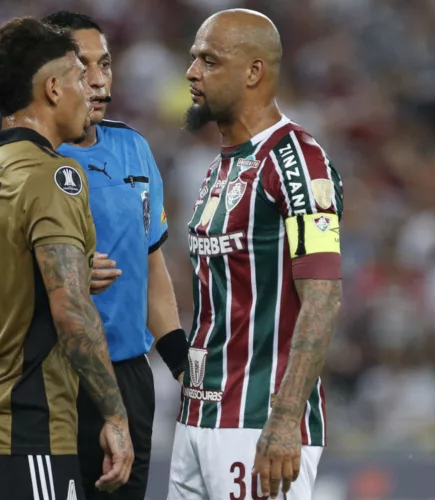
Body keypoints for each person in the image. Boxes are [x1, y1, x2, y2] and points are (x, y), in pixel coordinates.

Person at [0, 17, 134, 500]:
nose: (89, 87)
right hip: (27, 430)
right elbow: (71, 312)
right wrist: (116, 414)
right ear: (53, 88)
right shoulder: (54, 179)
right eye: (78, 76)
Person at [168, 9, 343, 500]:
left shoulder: (299, 162)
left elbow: (323, 298)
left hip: (259, 425)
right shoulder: (216, 169)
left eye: (209, 60)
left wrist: (286, 418)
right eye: (193, 59)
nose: (192, 72)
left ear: (253, 72)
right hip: (197, 417)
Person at [42, 11, 189, 500]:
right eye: (82, 65)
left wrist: (181, 364)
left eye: (105, 63)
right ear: (49, 78)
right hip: (53, 376)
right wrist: (64, 277)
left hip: (129, 378)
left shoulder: (134, 149)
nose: (99, 78)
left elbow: (151, 264)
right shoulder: (27, 161)